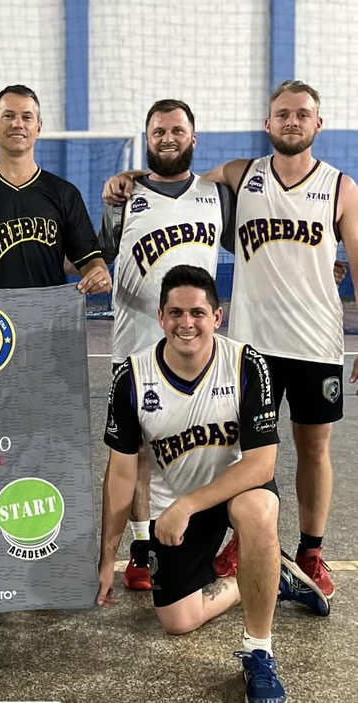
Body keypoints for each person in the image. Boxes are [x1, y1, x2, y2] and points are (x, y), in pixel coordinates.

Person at [103, 81, 358, 601]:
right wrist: (128, 178)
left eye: (302, 114)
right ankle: (190, 545)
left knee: (312, 446)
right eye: (282, 114)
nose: (291, 121)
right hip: (247, 342)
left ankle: (307, 549)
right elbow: (166, 186)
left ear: (318, 123)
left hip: (313, 341)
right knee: (207, 449)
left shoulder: (335, 187)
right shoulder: (240, 177)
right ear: (267, 124)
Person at [98, 264, 330, 703]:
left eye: (198, 313)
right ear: (160, 317)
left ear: (217, 317)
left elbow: (262, 465)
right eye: (176, 313)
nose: (187, 323)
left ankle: (258, 652)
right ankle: (267, 577)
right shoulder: (130, 377)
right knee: (177, 619)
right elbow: (122, 473)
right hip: (178, 506)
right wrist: (106, 557)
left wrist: (187, 504)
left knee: (258, 510)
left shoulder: (247, 364)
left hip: (233, 488)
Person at [99, 99, 235, 591]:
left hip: (200, 351)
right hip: (135, 343)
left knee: (208, 446)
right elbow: (99, 254)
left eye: (178, 130)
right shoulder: (124, 197)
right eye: (159, 131)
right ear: (147, 137)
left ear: (193, 138)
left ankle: (207, 537)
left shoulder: (215, 195)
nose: (168, 137)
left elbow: (260, 249)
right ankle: (140, 548)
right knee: (134, 454)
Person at [0, 84, 111, 294]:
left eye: (27, 117)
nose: (18, 124)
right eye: (8, 116)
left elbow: (89, 259)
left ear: (39, 127)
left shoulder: (64, 193)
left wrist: (99, 273)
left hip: (48, 320)